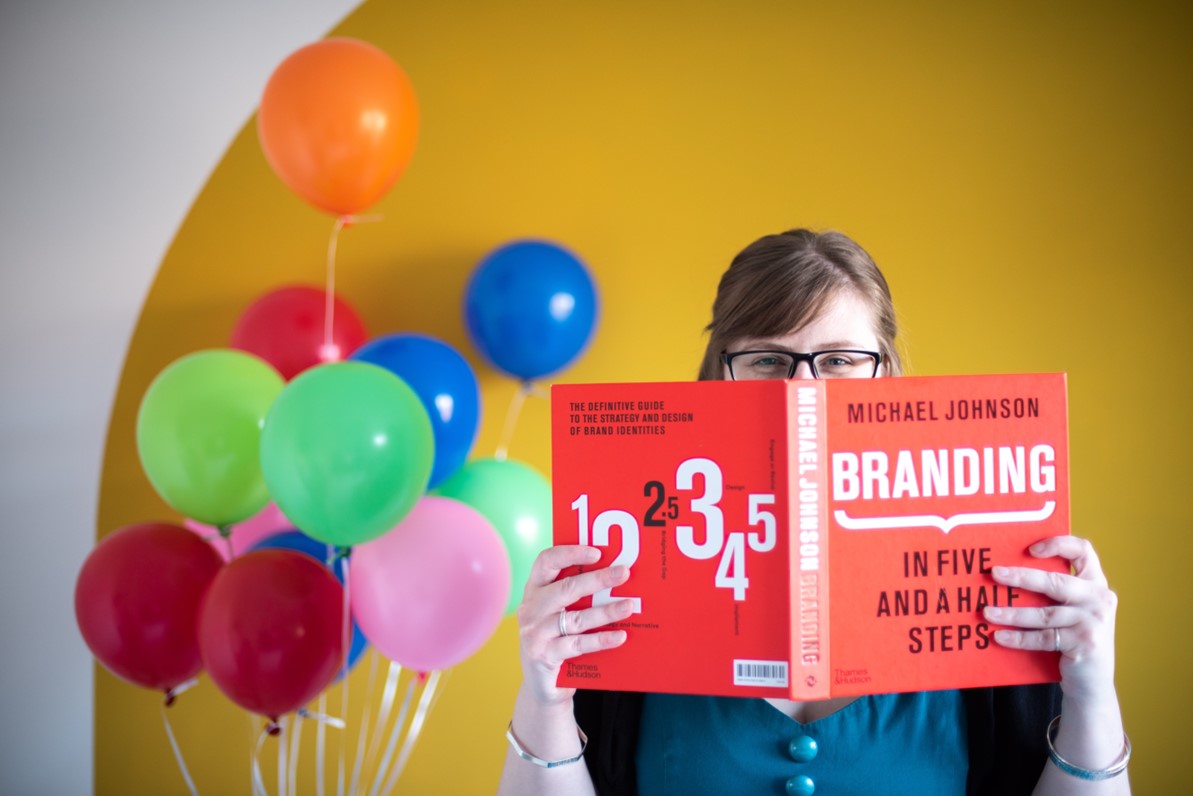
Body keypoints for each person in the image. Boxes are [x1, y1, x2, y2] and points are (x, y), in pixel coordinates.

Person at [497, 229, 1129, 795]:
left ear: (887, 373)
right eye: (768, 360)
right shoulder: (626, 574)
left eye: (839, 361)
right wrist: (546, 699)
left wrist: (1091, 694)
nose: (803, 391)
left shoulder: (994, 572)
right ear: (719, 376)